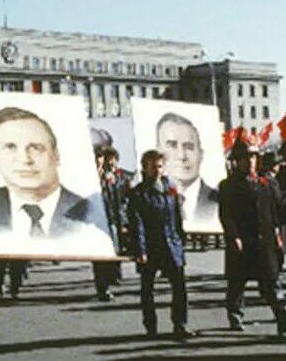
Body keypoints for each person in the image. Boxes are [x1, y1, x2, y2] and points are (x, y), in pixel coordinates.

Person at [0, 107, 108, 240]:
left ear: (56, 155)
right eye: (10, 147)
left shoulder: (87, 211)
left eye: (36, 148)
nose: (25, 159)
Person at [218, 140, 286, 335]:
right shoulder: (228, 185)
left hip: (265, 239)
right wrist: (233, 235)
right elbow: (226, 213)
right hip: (243, 239)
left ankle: (283, 315)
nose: (250, 161)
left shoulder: (266, 182)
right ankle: (235, 314)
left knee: (271, 280)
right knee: (238, 281)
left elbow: (277, 206)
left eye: (253, 157)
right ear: (237, 161)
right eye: (245, 158)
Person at [127, 150, 190, 339]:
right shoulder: (138, 193)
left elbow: (177, 216)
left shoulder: (170, 188)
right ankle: (151, 326)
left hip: (171, 245)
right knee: (148, 289)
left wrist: (181, 241)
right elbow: (137, 224)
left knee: (179, 287)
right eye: (153, 166)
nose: (157, 170)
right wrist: (141, 250)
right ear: (144, 168)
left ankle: (180, 324)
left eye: (160, 166)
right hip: (151, 247)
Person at [156, 112, 219, 226]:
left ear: (201, 154)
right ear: (158, 152)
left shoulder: (217, 200)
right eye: (172, 145)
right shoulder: (153, 198)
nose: (182, 156)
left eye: (189, 147)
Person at [94, 147, 131, 302]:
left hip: (114, 219)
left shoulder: (121, 177)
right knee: (99, 256)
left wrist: (124, 220)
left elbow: (124, 199)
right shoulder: (95, 177)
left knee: (114, 251)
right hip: (98, 221)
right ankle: (102, 287)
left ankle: (112, 276)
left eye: (111, 158)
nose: (109, 161)